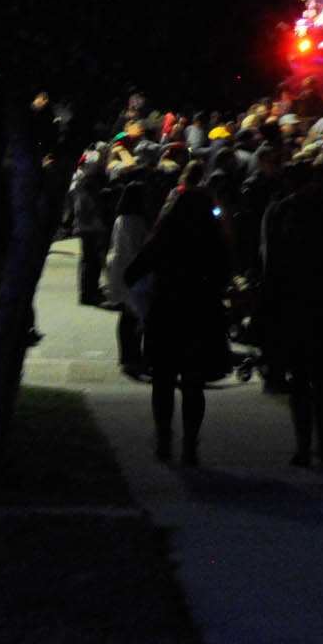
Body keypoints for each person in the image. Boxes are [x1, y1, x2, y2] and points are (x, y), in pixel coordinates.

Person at [126, 175, 233, 465]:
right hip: (201, 316)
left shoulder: (165, 237)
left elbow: (132, 272)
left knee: (163, 381)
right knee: (193, 384)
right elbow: (226, 275)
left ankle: (163, 438)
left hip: (166, 315)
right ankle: (189, 444)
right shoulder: (213, 241)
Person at [262, 163, 323, 466]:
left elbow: (273, 264)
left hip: (296, 306)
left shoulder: (283, 213)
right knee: (319, 382)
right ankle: (322, 446)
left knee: (302, 382)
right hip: (318, 306)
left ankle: (307, 446)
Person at [105, 176, 158, 379]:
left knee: (128, 315)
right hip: (132, 271)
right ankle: (133, 357)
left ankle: (128, 356)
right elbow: (138, 247)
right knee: (135, 314)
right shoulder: (135, 220)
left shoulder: (121, 218)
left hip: (120, 269)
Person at [67, 155, 112, 308]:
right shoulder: (86, 185)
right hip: (89, 228)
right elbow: (85, 207)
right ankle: (88, 293)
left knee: (91, 261)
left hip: (87, 227)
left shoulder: (85, 183)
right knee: (91, 261)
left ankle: (90, 290)